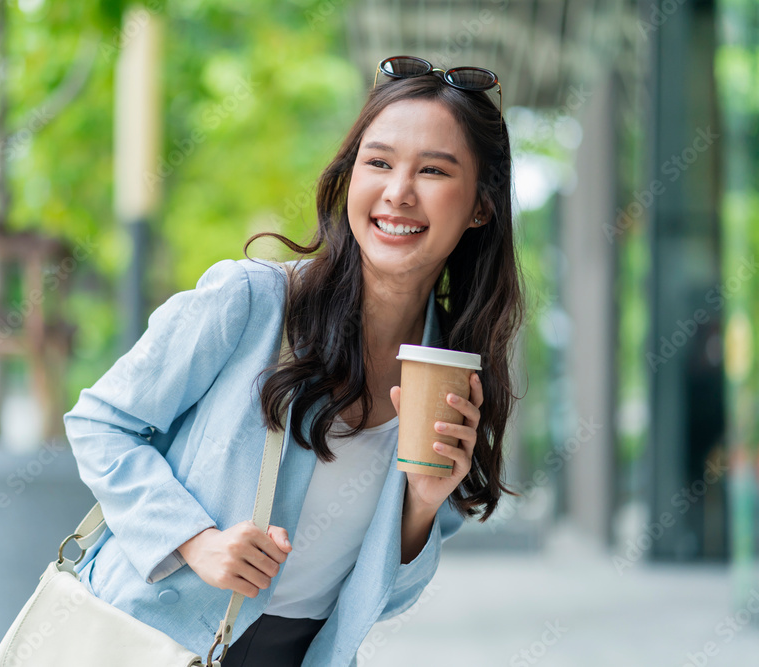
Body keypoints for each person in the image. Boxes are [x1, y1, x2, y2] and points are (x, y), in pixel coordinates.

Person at [63, 55, 524, 667]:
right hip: (153, 637)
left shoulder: (451, 375)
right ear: (349, 177)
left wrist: (422, 505)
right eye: (378, 162)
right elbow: (100, 422)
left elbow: (386, 601)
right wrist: (194, 542)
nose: (398, 192)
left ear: (480, 207)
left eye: (433, 171)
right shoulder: (251, 301)